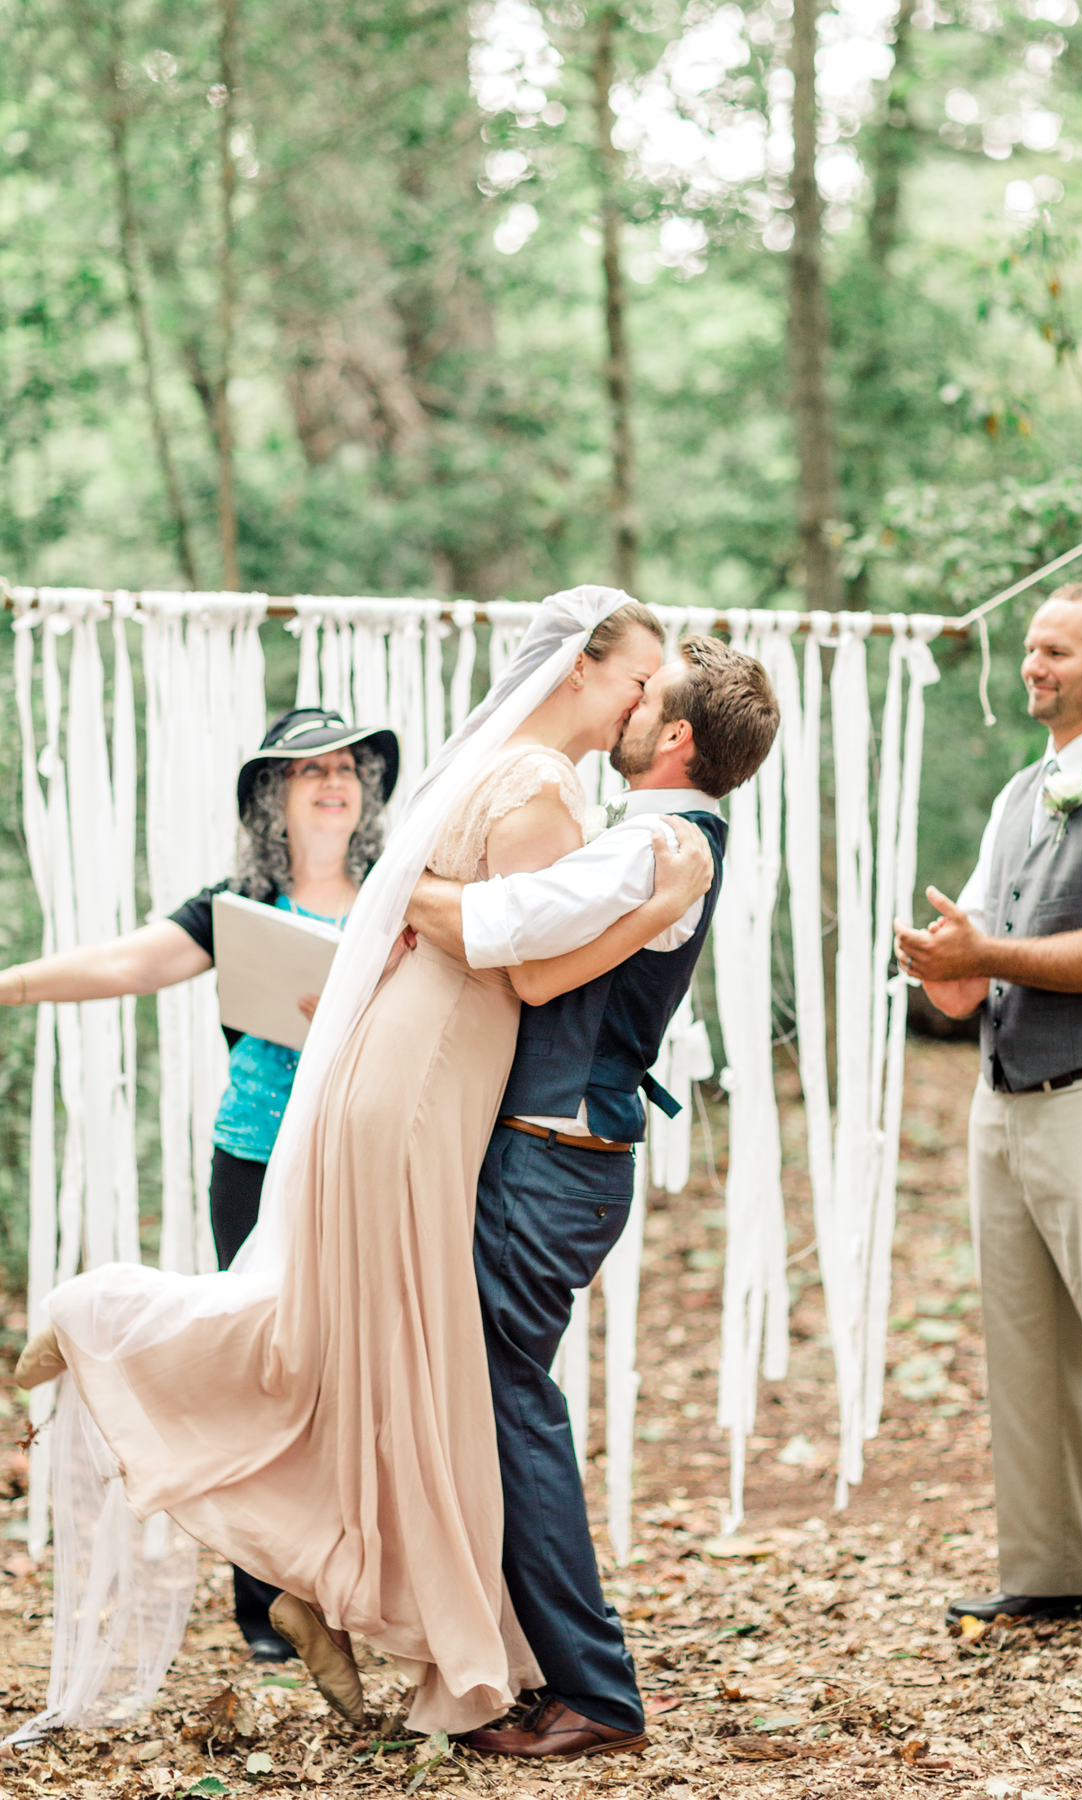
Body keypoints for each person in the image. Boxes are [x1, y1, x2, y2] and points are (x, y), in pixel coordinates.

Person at [14, 588, 716, 1743]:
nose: (648, 701)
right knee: (417, 1365)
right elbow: (536, 977)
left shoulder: (500, 771)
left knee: (373, 1351)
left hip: (402, 1068)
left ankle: (323, 1581)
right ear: (582, 671)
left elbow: (454, 922)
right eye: (639, 677)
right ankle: (108, 1318)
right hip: (429, 1079)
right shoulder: (540, 789)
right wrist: (663, 906)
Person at [407, 636, 781, 1756]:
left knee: (510, 1408)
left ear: (674, 737)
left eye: (642, 697)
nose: (619, 706)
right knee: (499, 1401)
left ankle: (597, 1692)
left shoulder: (657, 843)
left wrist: (395, 874)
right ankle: (537, 1662)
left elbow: (490, 932)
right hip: (553, 1154)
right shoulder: (654, 840)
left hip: (554, 1159)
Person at [2, 705, 399, 1661]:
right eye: (310, 771)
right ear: (275, 796)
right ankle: (266, 1609)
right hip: (256, 1161)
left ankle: (352, 1598)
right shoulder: (233, 906)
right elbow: (126, 961)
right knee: (263, 1366)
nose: (334, 781)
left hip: (366, 1165)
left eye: (347, 767)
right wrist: (7, 983)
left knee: (360, 1376)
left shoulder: (399, 897)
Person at [894, 581, 1082, 1668]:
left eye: (1056, 650)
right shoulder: (1022, 792)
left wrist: (985, 958)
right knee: (1026, 1348)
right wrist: (942, 967)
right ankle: (1057, 1573)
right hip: (1007, 1103)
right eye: (1029, 648)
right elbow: (971, 978)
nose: (1032, 665)